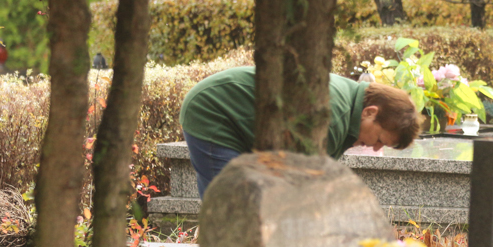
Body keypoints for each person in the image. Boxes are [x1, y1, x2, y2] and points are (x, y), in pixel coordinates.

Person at [180, 66, 422, 197]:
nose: (374, 147)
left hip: (245, 123)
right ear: (370, 112)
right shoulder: (330, 117)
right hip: (215, 112)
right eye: (379, 140)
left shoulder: (349, 109)